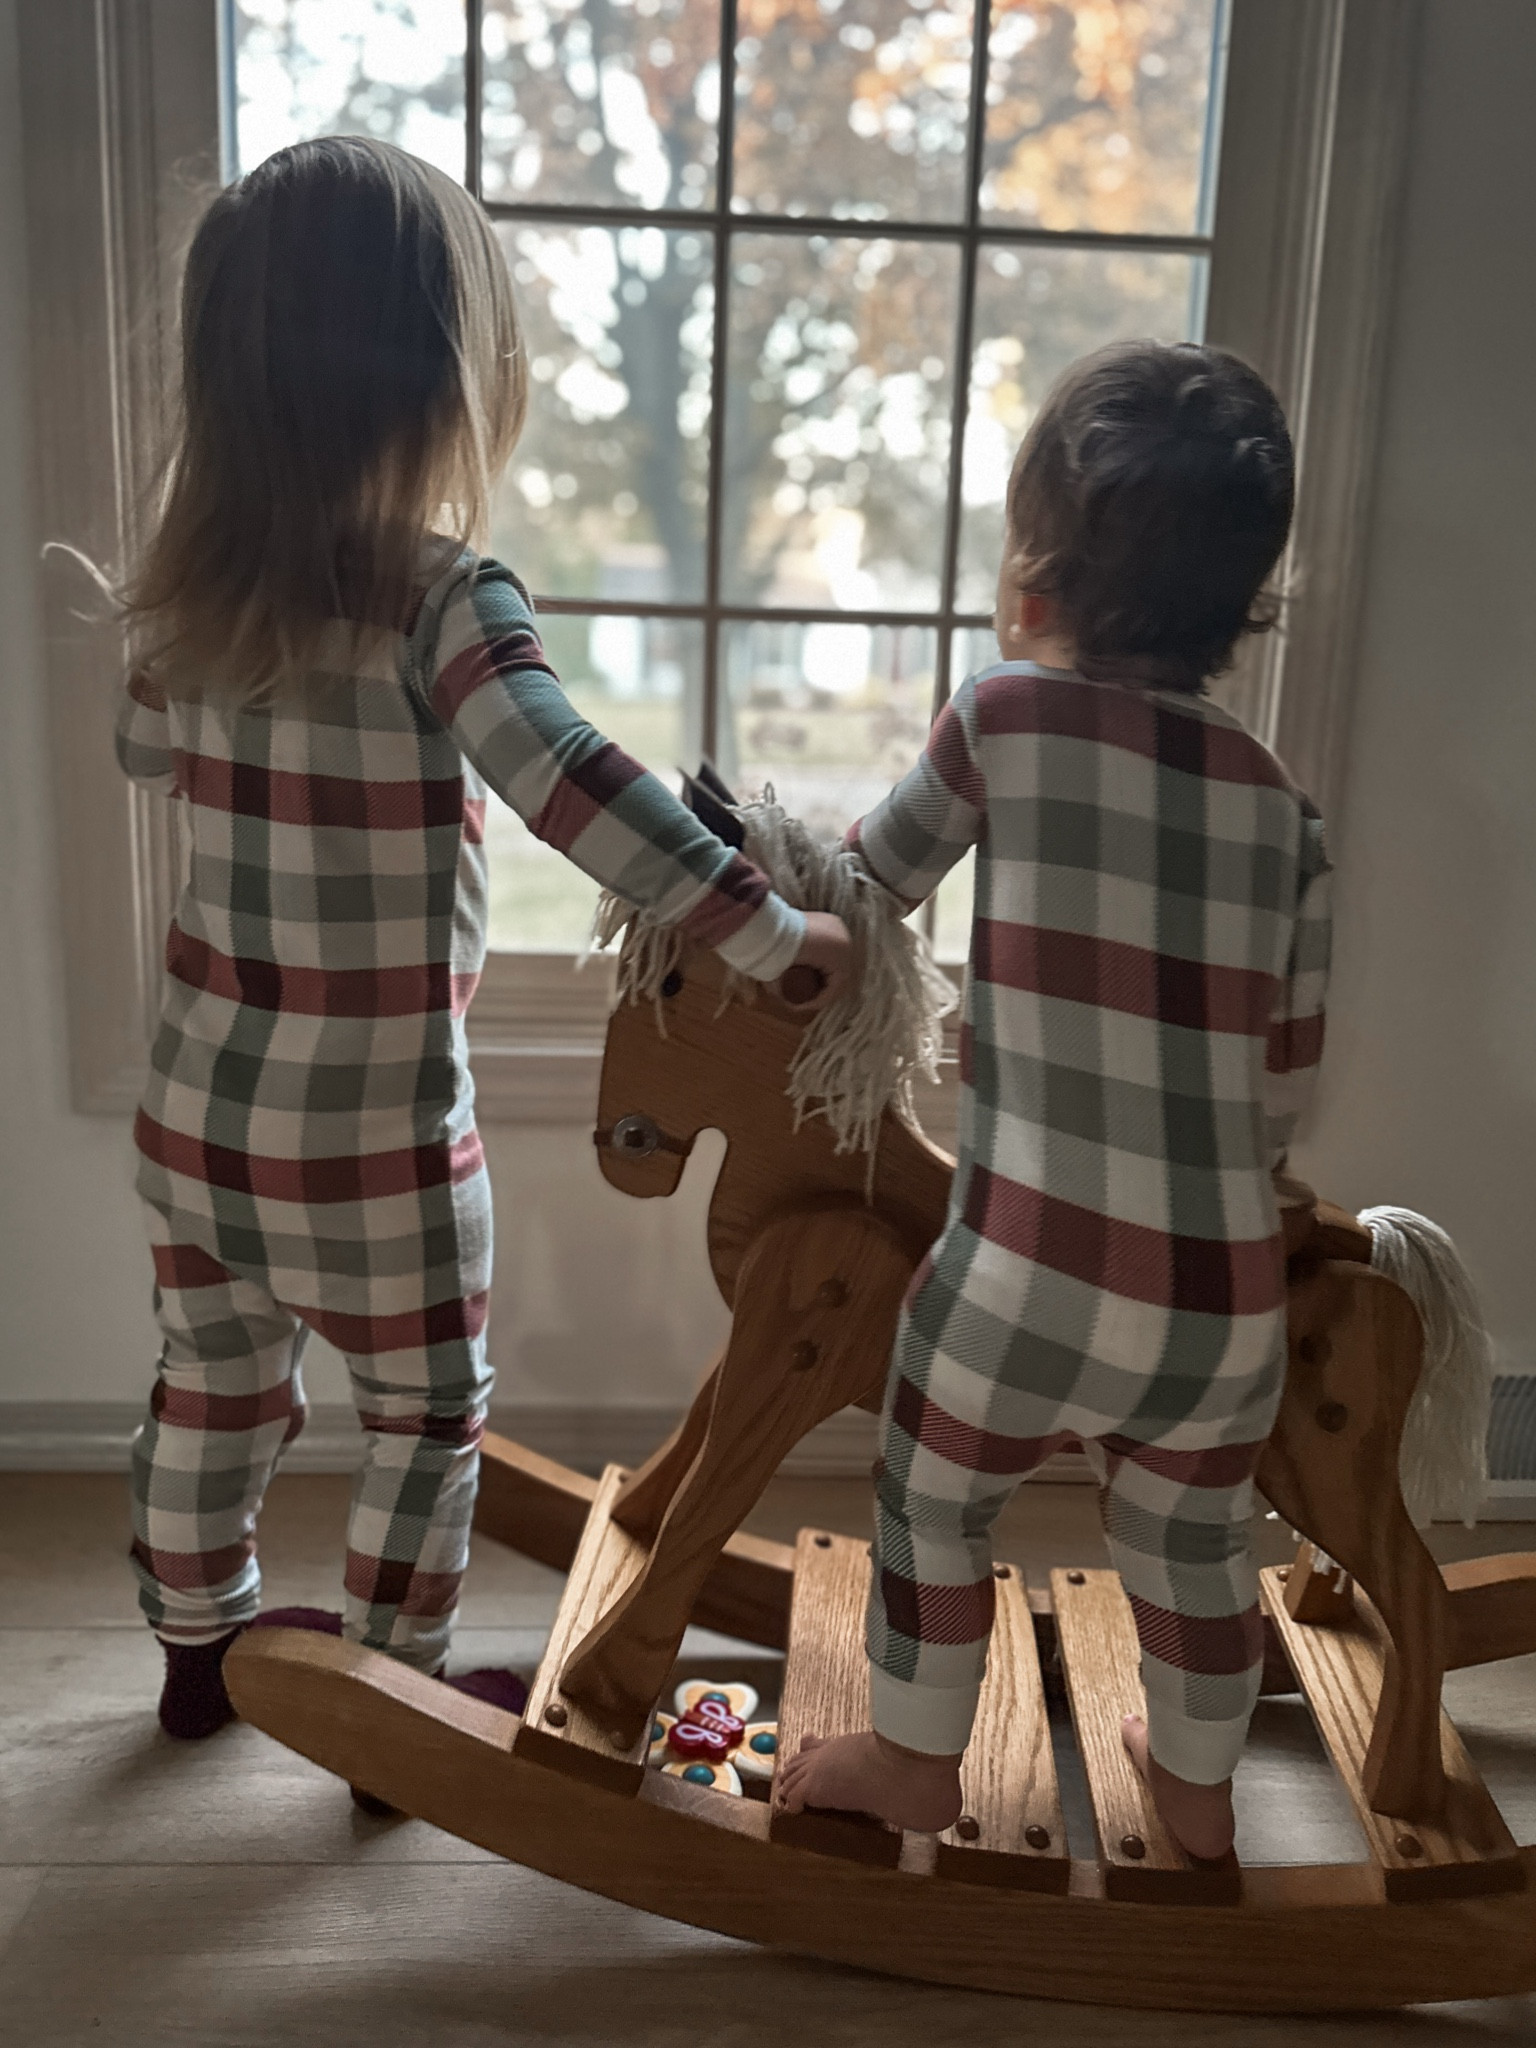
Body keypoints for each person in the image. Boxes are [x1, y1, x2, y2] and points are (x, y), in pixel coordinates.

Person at [110, 135, 851, 1741]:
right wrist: (765, 927)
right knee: (426, 1411)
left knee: (214, 1384)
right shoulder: (445, 598)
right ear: (444, 379)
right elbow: (568, 781)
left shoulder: (187, 595)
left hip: (199, 1114)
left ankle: (194, 1653)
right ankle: (393, 1700)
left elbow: (143, 749)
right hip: (373, 1140)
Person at [776, 340, 1330, 1861]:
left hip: (1021, 1279)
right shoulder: (1285, 813)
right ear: (1245, 600)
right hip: (1219, 1304)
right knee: (1195, 1546)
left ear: (1042, 570)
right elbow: (1288, 1078)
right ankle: (1200, 1793)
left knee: (933, 1495)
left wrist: (764, 879)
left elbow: (869, 885)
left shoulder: (1004, 718)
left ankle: (914, 1758)